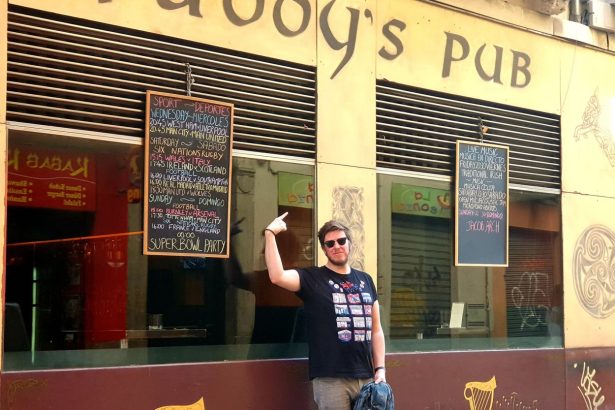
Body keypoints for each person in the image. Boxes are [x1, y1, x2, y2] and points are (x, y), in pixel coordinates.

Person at [264, 212, 386, 410]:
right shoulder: (313, 279)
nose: (336, 246)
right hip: (331, 378)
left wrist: (380, 369)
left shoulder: (366, 280)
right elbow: (277, 276)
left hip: (367, 377)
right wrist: (270, 234)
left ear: (349, 243)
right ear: (324, 249)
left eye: (341, 240)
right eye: (330, 244)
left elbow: (376, 330)